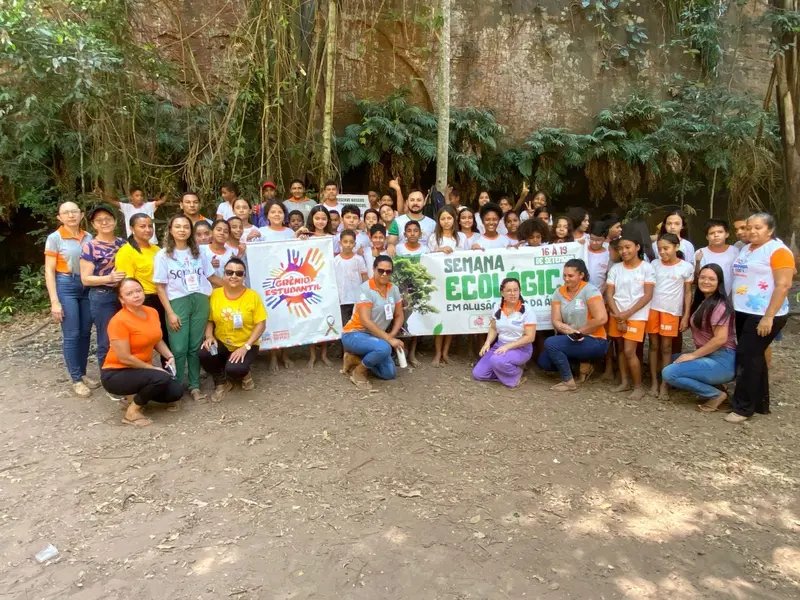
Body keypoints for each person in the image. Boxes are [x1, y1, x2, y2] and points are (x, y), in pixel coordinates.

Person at [727, 213, 794, 422]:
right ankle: (759, 403)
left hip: (764, 313)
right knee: (754, 357)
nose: (752, 231)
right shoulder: (746, 249)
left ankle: (742, 408)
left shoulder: (779, 251)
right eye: (749, 227)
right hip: (744, 310)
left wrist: (769, 317)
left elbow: (783, 285)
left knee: (748, 356)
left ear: (770, 230)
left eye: (758, 227)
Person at [154, 214, 222, 402]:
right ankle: (174, 387)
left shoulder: (198, 252)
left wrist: (234, 287)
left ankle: (194, 386)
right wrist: (170, 313)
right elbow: (159, 286)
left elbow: (211, 277)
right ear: (170, 230)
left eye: (186, 227)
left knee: (194, 347)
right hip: (177, 303)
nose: (182, 230)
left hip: (200, 300)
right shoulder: (163, 255)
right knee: (178, 347)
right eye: (178, 226)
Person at [101, 278, 182, 427]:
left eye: (138, 291)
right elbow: (125, 358)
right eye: (130, 293)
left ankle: (133, 396)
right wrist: (153, 369)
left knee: (176, 392)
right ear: (121, 299)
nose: (136, 295)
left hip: (140, 370)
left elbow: (156, 339)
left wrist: (169, 356)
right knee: (160, 377)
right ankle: (132, 412)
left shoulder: (151, 312)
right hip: (116, 372)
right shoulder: (118, 321)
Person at [661, 264, 736, 412]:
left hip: (722, 360)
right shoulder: (703, 301)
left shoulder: (719, 305)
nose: (706, 281)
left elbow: (720, 339)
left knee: (669, 372)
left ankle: (715, 394)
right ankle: (715, 384)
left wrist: (693, 355)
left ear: (719, 282)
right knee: (666, 360)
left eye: (711, 279)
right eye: (702, 277)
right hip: (709, 355)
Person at [45, 202, 97, 397]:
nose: (70, 215)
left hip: (86, 285)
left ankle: (82, 374)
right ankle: (75, 379)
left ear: (81, 214)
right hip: (66, 284)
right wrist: (54, 301)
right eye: (65, 213)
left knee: (85, 332)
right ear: (59, 217)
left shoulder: (89, 237)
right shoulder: (55, 238)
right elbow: (49, 271)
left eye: (74, 211)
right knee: (72, 333)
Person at [198, 258, 267, 402]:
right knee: (205, 353)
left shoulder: (252, 296)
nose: (234, 276)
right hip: (222, 343)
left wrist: (245, 347)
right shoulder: (215, 294)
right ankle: (221, 382)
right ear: (224, 274)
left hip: (246, 345)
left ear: (244, 276)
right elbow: (210, 319)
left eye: (239, 273)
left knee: (236, 369)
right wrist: (209, 336)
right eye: (229, 272)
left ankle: (245, 375)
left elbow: (261, 324)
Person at [538, 259, 609, 391]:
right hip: (572, 337)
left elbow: (601, 318)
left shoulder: (590, 290)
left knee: (550, 343)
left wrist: (580, 332)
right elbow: (556, 320)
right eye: (564, 275)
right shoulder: (559, 292)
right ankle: (582, 366)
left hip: (594, 339)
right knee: (544, 362)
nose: (566, 279)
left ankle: (568, 381)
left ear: (581, 275)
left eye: (570, 276)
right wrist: (570, 331)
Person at [340, 255, 405, 390]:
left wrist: (391, 336)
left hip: (377, 336)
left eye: (388, 271)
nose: (384, 274)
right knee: (384, 348)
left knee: (389, 373)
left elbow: (399, 315)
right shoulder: (365, 289)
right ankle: (358, 372)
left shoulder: (394, 289)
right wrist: (388, 340)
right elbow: (365, 321)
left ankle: (353, 360)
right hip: (354, 334)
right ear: (373, 269)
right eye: (381, 270)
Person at [605, 231, 655, 400]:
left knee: (629, 351)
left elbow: (647, 295)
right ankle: (625, 382)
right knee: (620, 349)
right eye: (620, 248)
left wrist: (626, 314)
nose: (624, 251)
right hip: (617, 313)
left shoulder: (647, 268)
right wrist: (618, 315)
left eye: (628, 247)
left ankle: (638, 386)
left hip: (636, 315)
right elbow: (609, 294)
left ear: (637, 247)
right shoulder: (615, 269)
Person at [79, 205, 126, 373]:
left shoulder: (123, 243)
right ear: (93, 224)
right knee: (106, 339)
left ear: (115, 221)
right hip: (102, 296)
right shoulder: (89, 247)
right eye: (99, 220)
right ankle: (109, 379)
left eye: (108, 219)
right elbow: (86, 278)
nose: (104, 222)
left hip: (124, 296)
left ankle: (128, 375)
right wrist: (109, 278)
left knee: (126, 336)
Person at [647, 233, 695, 398]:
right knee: (653, 346)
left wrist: (686, 315)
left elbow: (688, 293)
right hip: (653, 309)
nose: (662, 252)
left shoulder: (686, 267)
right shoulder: (654, 264)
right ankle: (654, 382)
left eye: (666, 248)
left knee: (667, 347)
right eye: (659, 249)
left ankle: (664, 385)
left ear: (676, 247)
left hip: (671, 312)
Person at [115, 213, 169, 349]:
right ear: (132, 228)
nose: (148, 230)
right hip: (143, 300)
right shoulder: (126, 252)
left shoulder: (157, 250)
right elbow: (126, 283)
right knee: (143, 340)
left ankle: (168, 368)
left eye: (150, 226)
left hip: (162, 297)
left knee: (165, 337)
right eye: (142, 226)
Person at [472, 278, 537, 388]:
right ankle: (505, 371)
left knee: (497, 359)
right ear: (502, 293)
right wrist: (487, 343)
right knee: (478, 374)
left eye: (515, 290)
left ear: (519, 291)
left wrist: (507, 347)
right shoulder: (497, 307)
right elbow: (493, 328)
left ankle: (516, 375)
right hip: (500, 345)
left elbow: (530, 337)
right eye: (509, 291)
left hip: (521, 348)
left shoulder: (527, 310)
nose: (513, 293)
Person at [102, 186, 167, 243]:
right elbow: (111, 201)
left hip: (150, 241)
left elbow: (162, 201)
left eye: (141, 195)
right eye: (137, 195)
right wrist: (101, 193)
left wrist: (168, 191)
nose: (140, 197)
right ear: (131, 197)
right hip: (134, 242)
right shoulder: (126, 207)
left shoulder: (149, 205)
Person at [694, 219, 739, 296]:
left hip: (733, 294)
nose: (716, 235)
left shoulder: (736, 251)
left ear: (727, 234)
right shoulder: (701, 252)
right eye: (712, 233)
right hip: (708, 296)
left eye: (720, 232)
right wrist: (698, 262)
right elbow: (697, 277)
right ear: (707, 237)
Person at [334, 230, 369, 327]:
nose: (348, 245)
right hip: (342, 300)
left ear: (355, 244)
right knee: (345, 326)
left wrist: (367, 294)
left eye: (351, 242)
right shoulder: (335, 261)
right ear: (340, 243)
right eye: (345, 242)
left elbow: (364, 277)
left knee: (358, 325)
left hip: (357, 299)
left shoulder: (359, 259)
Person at [586, 221, 610, 290]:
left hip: (599, 293)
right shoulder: (583, 249)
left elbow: (609, 277)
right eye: (592, 238)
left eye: (598, 240)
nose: (594, 243)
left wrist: (601, 293)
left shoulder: (608, 254)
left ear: (605, 239)